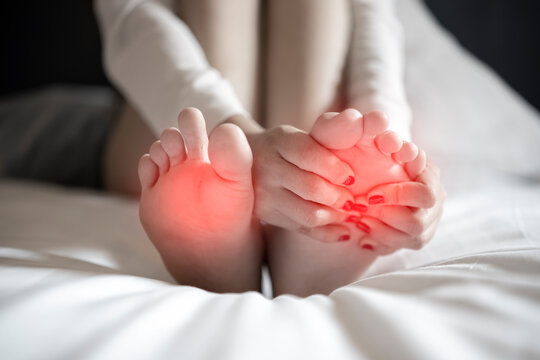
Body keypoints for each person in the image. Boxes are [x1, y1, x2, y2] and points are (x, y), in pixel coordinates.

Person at [92, 0, 446, 296]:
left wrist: (381, 136)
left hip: (271, 122)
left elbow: (373, 18)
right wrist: (234, 128)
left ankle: (309, 189)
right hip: (178, 114)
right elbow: (133, 16)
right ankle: (312, 191)